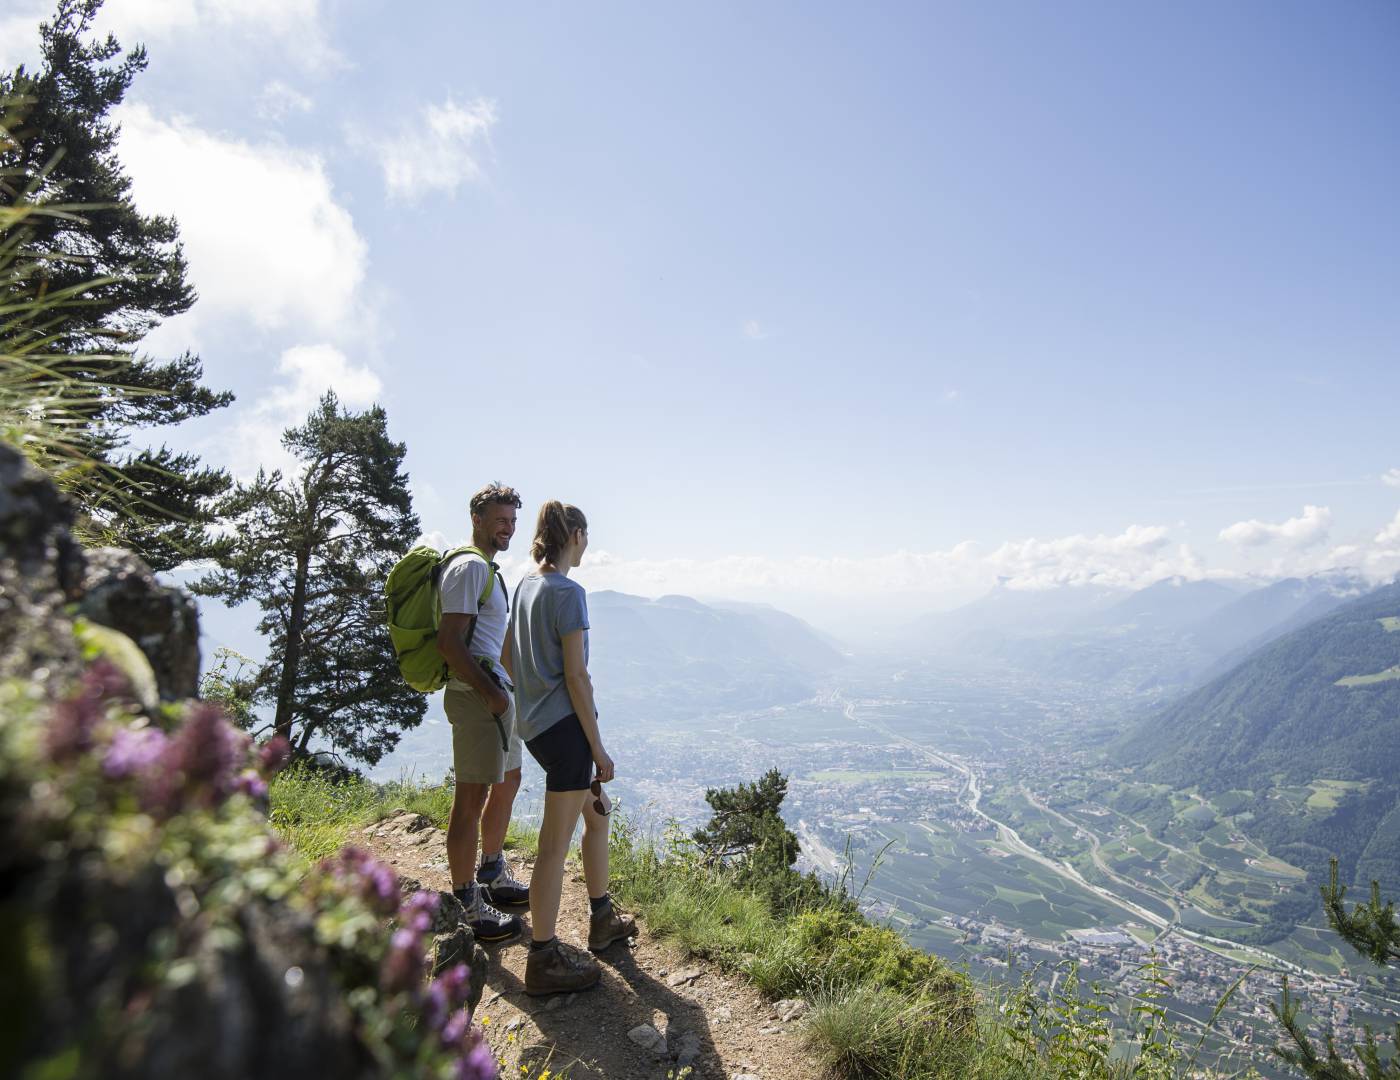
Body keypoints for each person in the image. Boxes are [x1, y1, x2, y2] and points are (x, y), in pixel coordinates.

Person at [504, 500, 635, 996]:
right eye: (586, 537)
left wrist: (530, 704)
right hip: (568, 735)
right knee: (553, 847)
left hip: (537, 728)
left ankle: (601, 919)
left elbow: (507, 657)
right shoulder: (569, 593)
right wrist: (597, 749)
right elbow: (577, 676)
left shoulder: (524, 587)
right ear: (575, 534)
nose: (588, 547)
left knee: (596, 820)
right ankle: (542, 959)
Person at [436, 483, 531, 943]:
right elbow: (450, 643)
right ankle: (466, 902)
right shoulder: (470, 568)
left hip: (495, 695)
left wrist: (511, 694)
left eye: (512, 521)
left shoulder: (489, 570)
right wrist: (492, 695)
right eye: (500, 519)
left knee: (508, 779)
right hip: (476, 699)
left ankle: (492, 870)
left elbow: (495, 640)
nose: (507, 528)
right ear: (477, 518)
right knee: (469, 801)